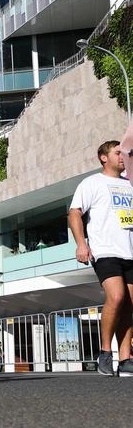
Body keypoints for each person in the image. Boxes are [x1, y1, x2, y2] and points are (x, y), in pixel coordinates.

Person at [69, 140, 133, 376]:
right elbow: (75, 212)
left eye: (124, 153)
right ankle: (105, 351)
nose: (122, 156)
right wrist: (81, 243)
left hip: (130, 251)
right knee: (116, 297)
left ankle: (126, 359)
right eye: (117, 153)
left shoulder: (130, 184)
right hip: (105, 251)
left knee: (129, 305)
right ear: (103, 157)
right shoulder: (92, 183)